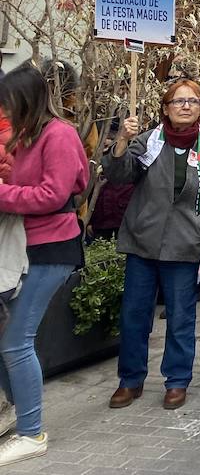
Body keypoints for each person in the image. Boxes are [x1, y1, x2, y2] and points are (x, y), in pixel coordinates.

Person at [106, 79, 200, 411]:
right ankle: (130, 380)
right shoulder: (149, 141)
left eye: (193, 101)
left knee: (181, 317)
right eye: (178, 101)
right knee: (134, 315)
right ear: (165, 108)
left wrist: (199, 228)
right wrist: (122, 140)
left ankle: (177, 381)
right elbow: (120, 174)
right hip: (142, 241)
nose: (185, 106)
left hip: (184, 246)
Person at [0, 66, 90, 466]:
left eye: (8, 102)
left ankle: (31, 432)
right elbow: (21, 178)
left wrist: (2, 193)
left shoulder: (59, 134)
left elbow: (53, 194)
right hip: (23, 248)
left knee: (16, 341)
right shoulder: (27, 134)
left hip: (52, 248)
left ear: (25, 100)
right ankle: (14, 413)